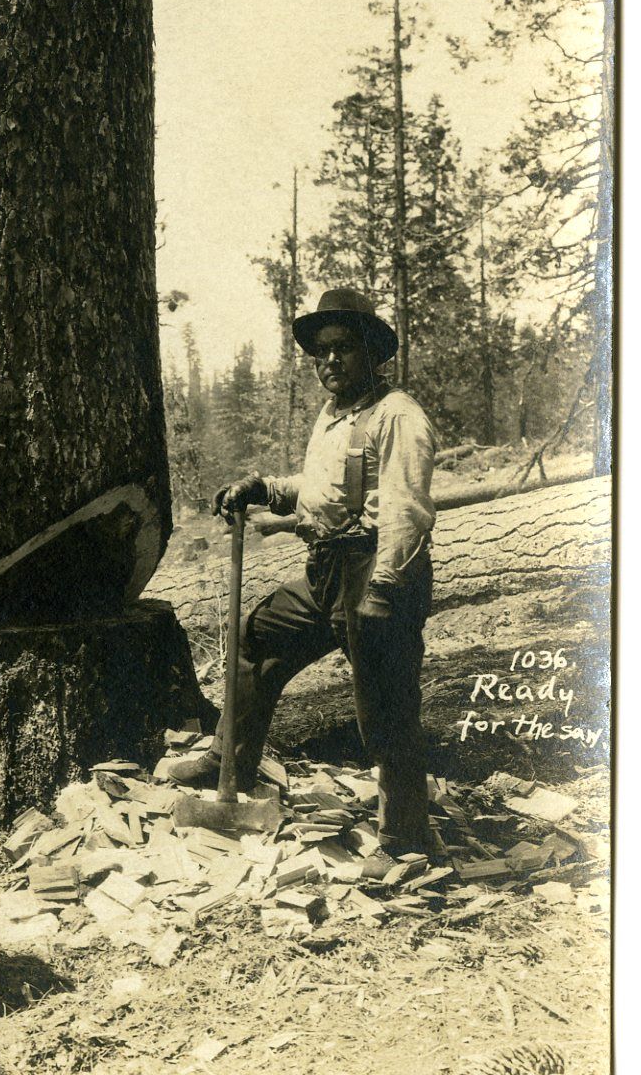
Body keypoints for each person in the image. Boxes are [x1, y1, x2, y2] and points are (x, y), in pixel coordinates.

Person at [167, 288, 438, 856]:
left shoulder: (398, 416)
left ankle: (407, 837)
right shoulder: (336, 414)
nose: (330, 361)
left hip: (377, 570)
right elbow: (322, 495)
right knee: (256, 639)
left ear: (372, 353)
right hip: (327, 570)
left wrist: (384, 589)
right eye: (321, 351)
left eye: (343, 348)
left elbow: (406, 513)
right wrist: (266, 487)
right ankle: (229, 765)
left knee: (386, 703)